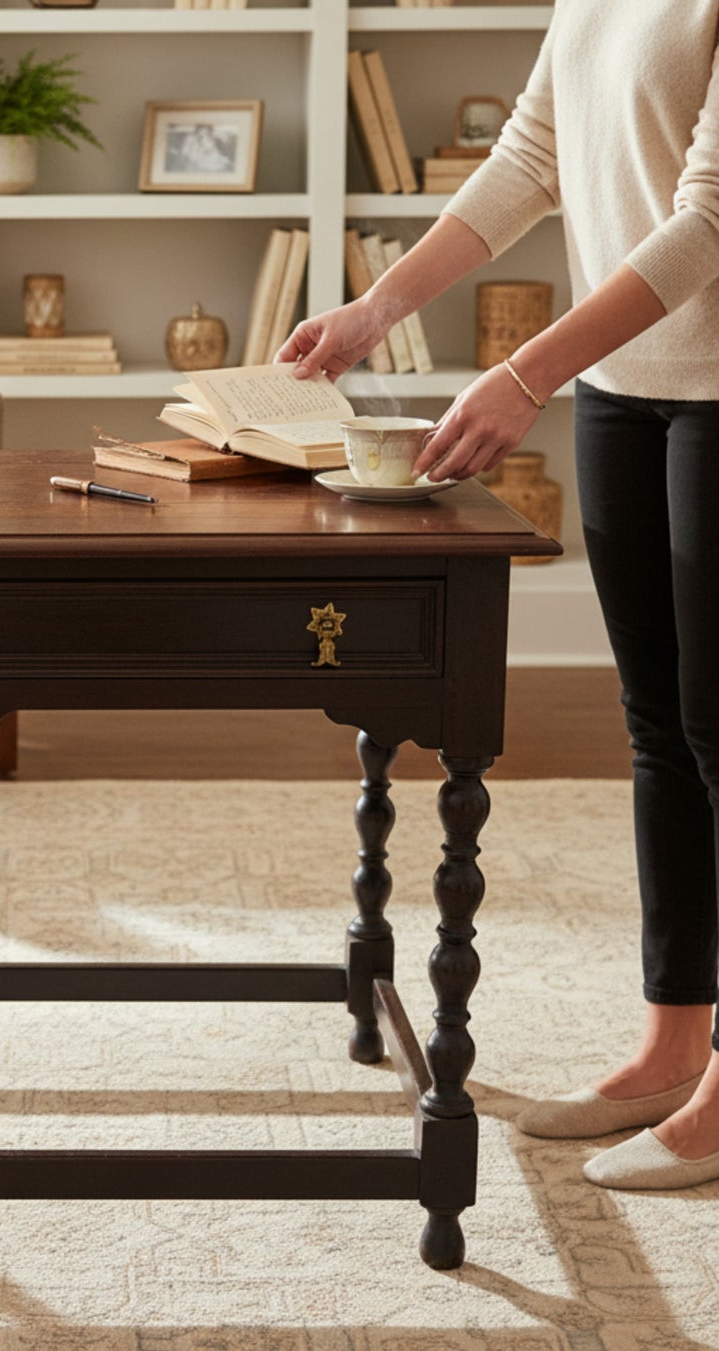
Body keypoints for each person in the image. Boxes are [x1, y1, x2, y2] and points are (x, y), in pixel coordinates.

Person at [276, 2, 719, 1191]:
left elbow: (707, 221)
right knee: (659, 730)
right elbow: (529, 154)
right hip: (623, 387)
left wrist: (527, 369)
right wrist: (380, 308)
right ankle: (673, 1041)